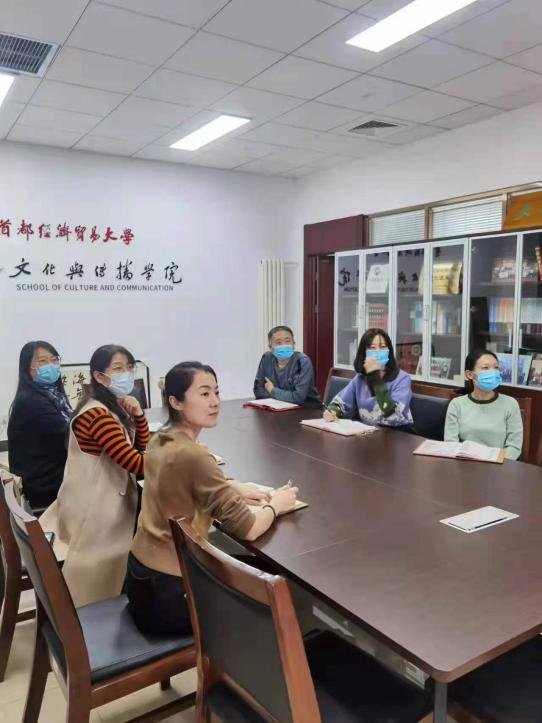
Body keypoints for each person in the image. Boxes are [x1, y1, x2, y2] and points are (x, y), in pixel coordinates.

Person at [127, 361, 298, 635]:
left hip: (141, 579)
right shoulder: (194, 456)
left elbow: (180, 479)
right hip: (171, 597)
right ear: (176, 402)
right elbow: (249, 529)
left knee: (247, 569)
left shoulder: (160, 439)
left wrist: (232, 486)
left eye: (216, 392)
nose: (215, 401)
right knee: (280, 587)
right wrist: (276, 505)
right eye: (204, 394)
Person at [40, 344, 149, 607]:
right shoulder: (99, 416)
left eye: (130, 367)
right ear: (99, 376)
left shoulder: (104, 406)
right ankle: (110, 607)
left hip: (86, 500)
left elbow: (139, 449)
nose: (126, 374)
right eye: (118, 368)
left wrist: (138, 416)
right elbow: (136, 463)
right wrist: (180, 463)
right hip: (95, 511)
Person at [8, 341, 71, 510]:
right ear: (27, 368)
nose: (51, 365)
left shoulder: (53, 395)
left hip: (53, 480)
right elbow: (73, 434)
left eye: (54, 359)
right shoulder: (32, 402)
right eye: (42, 361)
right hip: (46, 490)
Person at [324, 328, 413, 427]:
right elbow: (341, 403)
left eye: (383, 347)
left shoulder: (402, 379)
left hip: (396, 433)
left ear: (389, 351)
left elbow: (392, 416)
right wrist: (333, 411)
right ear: (364, 353)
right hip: (369, 433)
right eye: (372, 347)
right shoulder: (360, 379)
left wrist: (375, 377)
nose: (378, 351)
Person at [444, 350, 523, 460]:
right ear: (469, 374)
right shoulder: (457, 404)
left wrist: (496, 462)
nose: (493, 372)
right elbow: (451, 444)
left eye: (496, 368)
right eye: (486, 368)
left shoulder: (510, 404)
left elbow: (514, 447)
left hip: (499, 465)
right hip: (464, 464)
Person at [253, 325, 322, 408]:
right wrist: (284, 397)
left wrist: (272, 390)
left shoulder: (302, 361)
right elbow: (258, 390)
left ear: (293, 344)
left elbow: (298, 398)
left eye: (288, 341)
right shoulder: (266, 358)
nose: (284, 345)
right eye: (278, 342)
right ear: (270, 347)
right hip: (278, 409)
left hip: (307, 409)